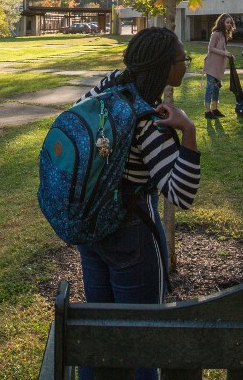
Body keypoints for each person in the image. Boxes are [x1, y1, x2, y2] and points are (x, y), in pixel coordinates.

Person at [75, 27, 200, 380]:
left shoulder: (107, 86)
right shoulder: (149, 119)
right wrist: (188, 130)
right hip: (131, 233)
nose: (186, 66)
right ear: (165, 67)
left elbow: (76, 119)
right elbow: (181, 193)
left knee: (100, 327)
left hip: (90, 225)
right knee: (145, 334)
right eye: (183, 60)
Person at [202, 14, 235, 119]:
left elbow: (222, 49)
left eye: (230, 22)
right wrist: (224, 53)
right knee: (210, 88)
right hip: (212, 65)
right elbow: (211, 48)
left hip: (219, 66)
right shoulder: (216, 33)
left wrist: (229, 54)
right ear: (222, 22)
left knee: (216, 88)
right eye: (227, 22)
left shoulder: (224, 35)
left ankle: (215, 110)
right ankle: (207, 112)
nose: (229, 24)